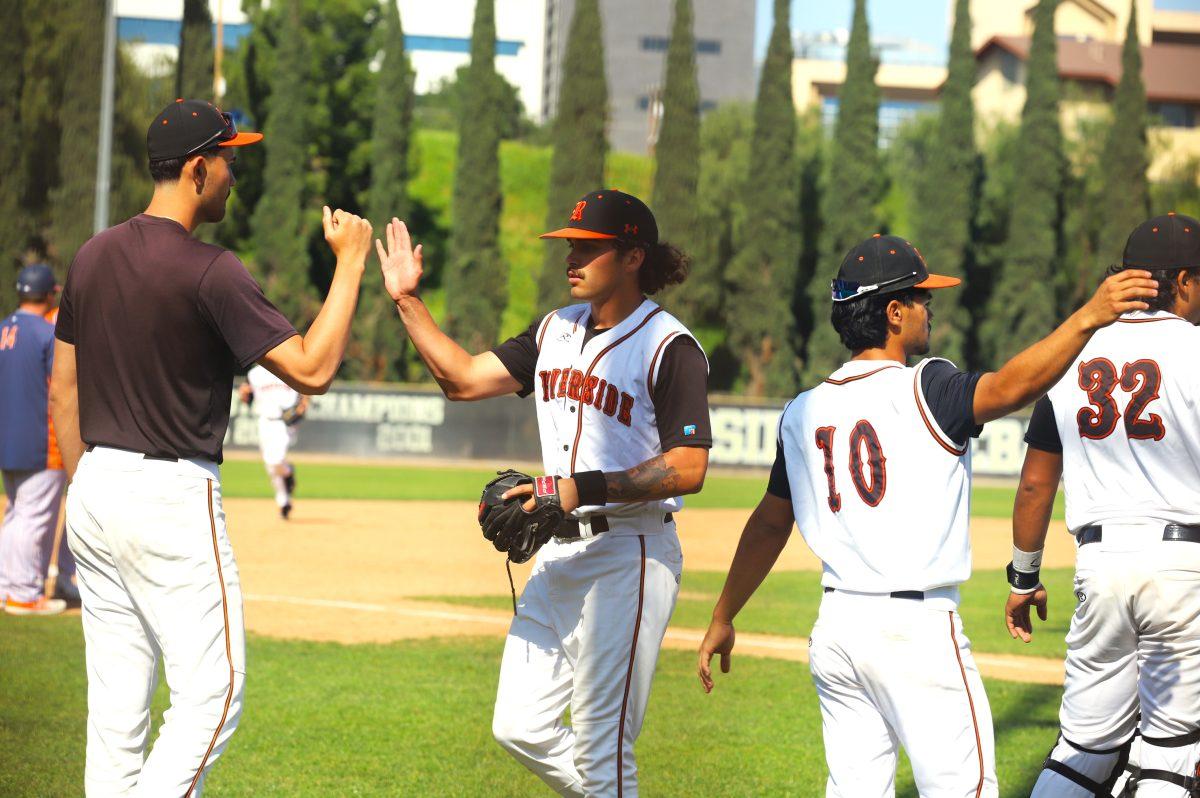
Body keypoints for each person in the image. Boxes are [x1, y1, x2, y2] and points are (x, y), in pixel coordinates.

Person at [696, 233, 1157, 797]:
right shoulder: (926, 384)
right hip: (915, 630)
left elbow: (769, 523)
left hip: (837, 629)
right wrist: (1088, 317)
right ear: (893, 312)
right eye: (920, 297)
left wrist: (723, 615)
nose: (928, 307)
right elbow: (1012, 387)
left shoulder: (802, 409)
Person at [48, 99, 373, 797]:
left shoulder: (90, 255)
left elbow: (63, 392)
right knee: (214, 693)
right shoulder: (212, 270)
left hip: (95, 485)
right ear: (198, 168)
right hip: (168, 493)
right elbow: (313, 367)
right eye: (229, 160)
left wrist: (88, 486)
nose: (234, 175)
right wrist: (350, 264)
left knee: (117, 712)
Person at [377, 190, 712, 796]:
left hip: (630, 555)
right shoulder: (555, 329)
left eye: (588, 247)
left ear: (633, 255)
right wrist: (406, 300)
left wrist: (580, 488)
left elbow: (688, 467)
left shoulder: (670, 346)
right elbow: (462, 379)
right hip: (558, 551)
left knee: (602, 747)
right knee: (520, 726)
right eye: (569, 246)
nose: (572, 258)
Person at [1006, 213, 1200, 797]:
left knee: (1082, 751)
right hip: (1181, 564)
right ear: (1184, 280)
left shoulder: (1073, 352)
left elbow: (1036, 484)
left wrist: (1024, 577)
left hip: (1098, 564)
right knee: (1172, 752)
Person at [0, 263, 68, 616]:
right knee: (32, 518)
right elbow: (59, 389)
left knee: (15, 513)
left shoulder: (3, 328)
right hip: (40, 440)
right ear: (49, 294)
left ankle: (7, 586)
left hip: (7, 436)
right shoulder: (45, 333)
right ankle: (25, 594)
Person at [238, 364, 307, 519]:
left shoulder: (289, 366)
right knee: (271, 465)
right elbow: (247, 398)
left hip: (284, 422)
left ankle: (288, 472)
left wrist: (303, 404)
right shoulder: (254, 373)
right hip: (264, 421)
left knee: (275, 460)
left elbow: (304, 394)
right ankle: (284, 501)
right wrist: (243, 394)